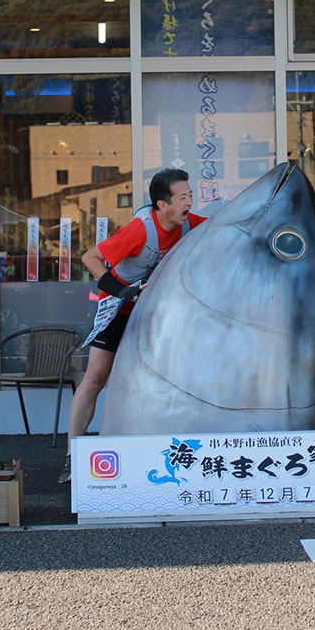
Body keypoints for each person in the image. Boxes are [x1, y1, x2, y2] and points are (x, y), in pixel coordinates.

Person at [59, 168, 205, 482]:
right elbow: (90, 258)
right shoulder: (140, 230)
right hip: (118, 309)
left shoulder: (188, 224)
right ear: (162, 205)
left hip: (153, 313)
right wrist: (121, 290)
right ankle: (73, 455)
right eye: (183, 197)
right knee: (95, 378)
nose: (189, 203)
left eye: (190, 195)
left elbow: (223, 229)